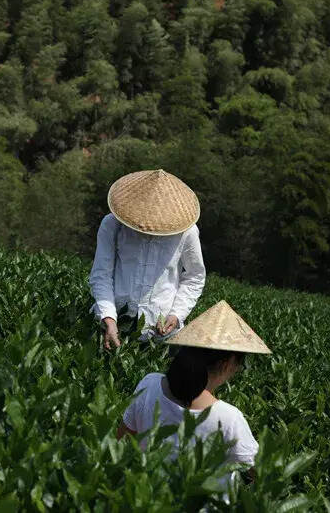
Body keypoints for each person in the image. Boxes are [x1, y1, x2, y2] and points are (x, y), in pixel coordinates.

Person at [117, 300, 272, 484]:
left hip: (146, 496)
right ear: (227, 364)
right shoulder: (229, 419)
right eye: (238, 365)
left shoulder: (149, 384)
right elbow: (264, 477)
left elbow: (121, 442)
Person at [89, 169, 206, 350]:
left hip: (161, 329)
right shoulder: (112, 224)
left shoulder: (187, 231)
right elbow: (101, 275)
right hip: (114, 318)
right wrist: (109, 319)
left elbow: (195, 277)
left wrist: (176, 315)